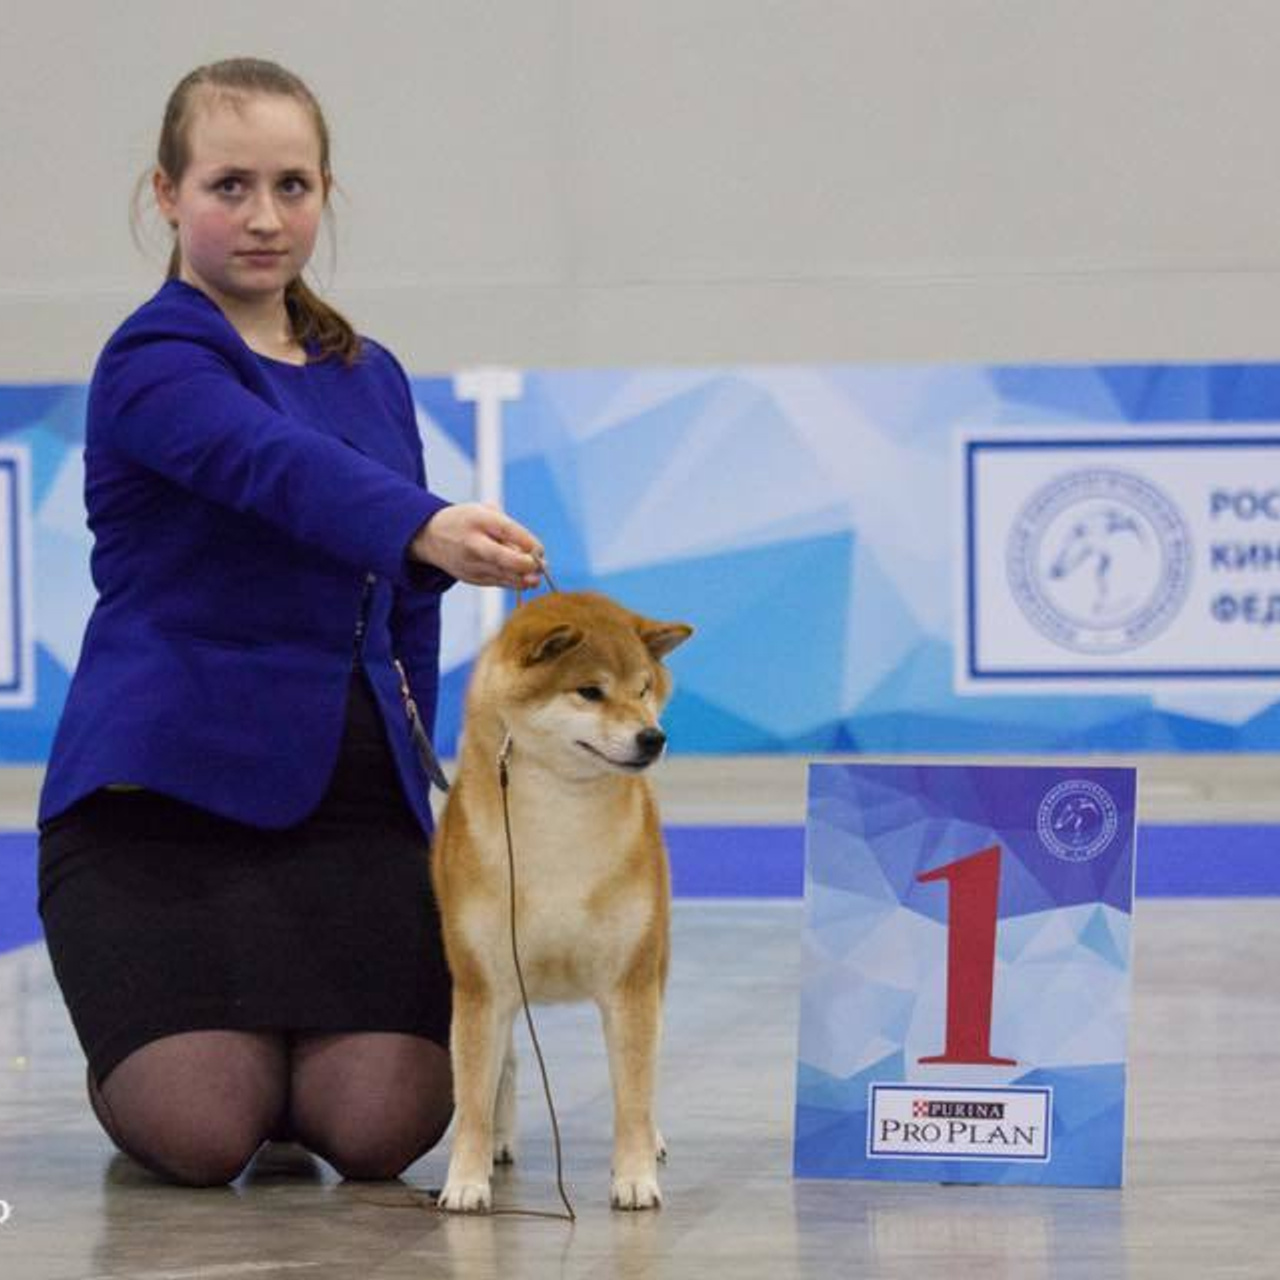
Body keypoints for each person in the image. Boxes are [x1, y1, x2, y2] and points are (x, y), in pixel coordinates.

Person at [35, 57, 543, 1188]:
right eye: (227, 186)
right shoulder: (157, 358)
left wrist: (426, 802)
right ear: (164, 194)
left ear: (324, 193)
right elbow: (268, 466)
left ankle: (275, 1059)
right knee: (207, 1129)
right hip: (156, 807)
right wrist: (423, 522)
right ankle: (152, 1051)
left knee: (376, 1129)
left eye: (292, 185)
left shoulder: (371, 373)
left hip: (349, 805)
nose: (264, 218)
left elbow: (404, 612)